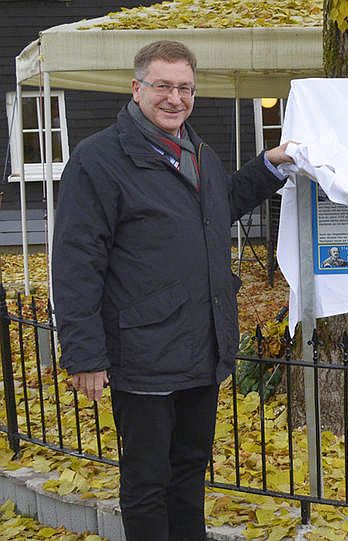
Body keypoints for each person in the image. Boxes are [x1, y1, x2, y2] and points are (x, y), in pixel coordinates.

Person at [52, 40, 293, 541]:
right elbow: (76, 263)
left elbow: (217, 207)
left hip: (200, 347)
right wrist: (85, 354)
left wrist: (270, 164)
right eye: (162, 86)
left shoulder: (196, 151)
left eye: (184, 88)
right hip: (143, 352)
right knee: (147, 480)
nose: (174, 98)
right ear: (137, 88)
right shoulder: (98, 160)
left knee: (188, 473)